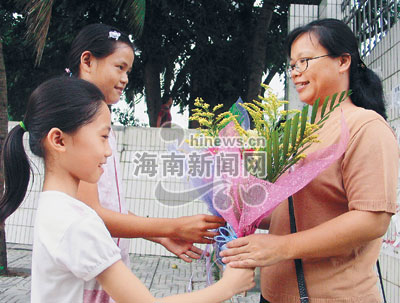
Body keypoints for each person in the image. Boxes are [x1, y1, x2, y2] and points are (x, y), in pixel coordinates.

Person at [0, 77, 255, 303]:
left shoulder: (57, 208)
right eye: (103, 137)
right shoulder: (76, 223)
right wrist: (228, 286)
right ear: (59, 140)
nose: (108, 151)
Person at [220, 18, 399, 303]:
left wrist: (280, 247)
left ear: (343, 62)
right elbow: (290, 213)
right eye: (292, 65)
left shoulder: (366, 127)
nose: (295, 73)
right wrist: (238, 205)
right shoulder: (298, 130)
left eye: (304, 61)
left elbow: (372, 219)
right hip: (274, 295)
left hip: (333, 297)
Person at [67, 24, 225, 270]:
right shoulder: (77, 121)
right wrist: (174, 227)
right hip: (86, 269)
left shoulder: (95, 119)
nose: (125, 79)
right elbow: (92, 212)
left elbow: (109, 207)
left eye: (128, 70)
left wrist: (162, 236)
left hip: (104, 264)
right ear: (87, 61)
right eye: (120, 67)